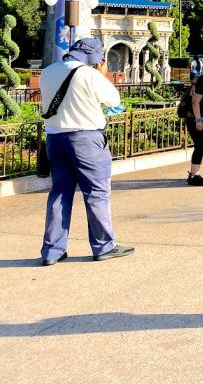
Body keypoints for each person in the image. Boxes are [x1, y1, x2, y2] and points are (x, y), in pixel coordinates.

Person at [39, 37, 134, 265]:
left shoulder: (48, 71)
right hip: (86, 140)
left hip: (55, 138)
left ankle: (52, 251)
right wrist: (101, 73)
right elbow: (113, 99)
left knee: (60, 193)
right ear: (93, 56)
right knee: (96, 192)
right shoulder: (89, 75)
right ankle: (103, 245)